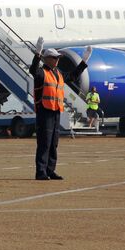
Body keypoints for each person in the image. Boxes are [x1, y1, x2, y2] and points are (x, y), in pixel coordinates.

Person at [30, 37, 92, 180]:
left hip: (56, 111)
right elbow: (33, 70)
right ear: (46, 59)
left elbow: (73, 76)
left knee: (53, 143)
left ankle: (50, 170)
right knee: (44, 143)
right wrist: (37, 52)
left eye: (58, 58)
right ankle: (41, 172)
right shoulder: (41, 73)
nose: (57, 60)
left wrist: (84, 62)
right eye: (54, 58)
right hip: (44, 111)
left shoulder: (58, 74)